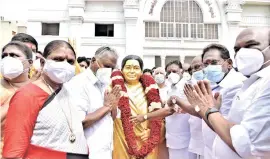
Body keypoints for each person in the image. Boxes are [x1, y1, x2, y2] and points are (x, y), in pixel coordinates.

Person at [185, 28, 270, 159]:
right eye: (237, 49)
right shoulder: (251, 82)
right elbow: (220, 124)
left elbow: (246, 144)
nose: (242, 53)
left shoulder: (244, 83)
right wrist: (210, 111)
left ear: (229, 63)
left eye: (251, 45)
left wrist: (207, 110)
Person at [2, 40, 88, 158]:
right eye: (58, 59)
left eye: (70, 61)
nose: (65, 64)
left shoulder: (67, 91)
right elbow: (13, 153)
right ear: (43, 62)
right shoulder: (27, 95)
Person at [169, 44, 246, 159]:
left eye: (214, 62)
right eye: (206, 64)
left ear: (229, 63)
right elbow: (201, 110)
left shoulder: (237, 84)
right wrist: (198, 107)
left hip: (228, 149)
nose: (208, 67)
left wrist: (201, 108)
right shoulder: (210, 82)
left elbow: (217, 121)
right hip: (209, 146)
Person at [66, 46, 121, 159]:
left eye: (112, 68)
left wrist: (113, 106)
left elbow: (112, 117)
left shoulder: (105, 83)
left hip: (105, 150)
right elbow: (79, 123)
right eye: (106, 66)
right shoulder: (78, 83)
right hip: (86, 152)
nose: (108, 71)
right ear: (93, 60)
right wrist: (107, 106)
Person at [111, 55, 163, 159]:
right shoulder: (114, 87)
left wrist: (151, 132)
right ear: (121, 70)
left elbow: (159, 116)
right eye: (128, 67)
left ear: (141, 71)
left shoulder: (150, 88)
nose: (131, 71)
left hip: (145, 137)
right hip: (122, 135)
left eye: (136, 68)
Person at [0, 41, 33, 158]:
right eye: (4, 56)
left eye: (14, 55)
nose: (7, 59)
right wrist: (20, 97)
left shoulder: (40, 89)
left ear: (29, 63)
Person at [165, 60, 195, 159]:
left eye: (174, 71)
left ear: (181, 71)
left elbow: (171, 110)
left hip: (184, 137)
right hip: (172, 136)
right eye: (168, 72)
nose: (171, 74)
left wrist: (146, 116)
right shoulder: (169, 87)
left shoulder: (187, 86)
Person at [188, 56, 205, 159]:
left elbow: (200, 111)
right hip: (197, 136)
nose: (195, 71)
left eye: (197, 67)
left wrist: (177, 101)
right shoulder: (193, 84)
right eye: (193, 68)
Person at [152, 67, 169, 159]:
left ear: (165, 75)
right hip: (155, 123)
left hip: (168, 122)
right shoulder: (150, 89)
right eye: (156, 73)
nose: (159, 75)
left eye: (161, 73)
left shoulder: (170, 88)